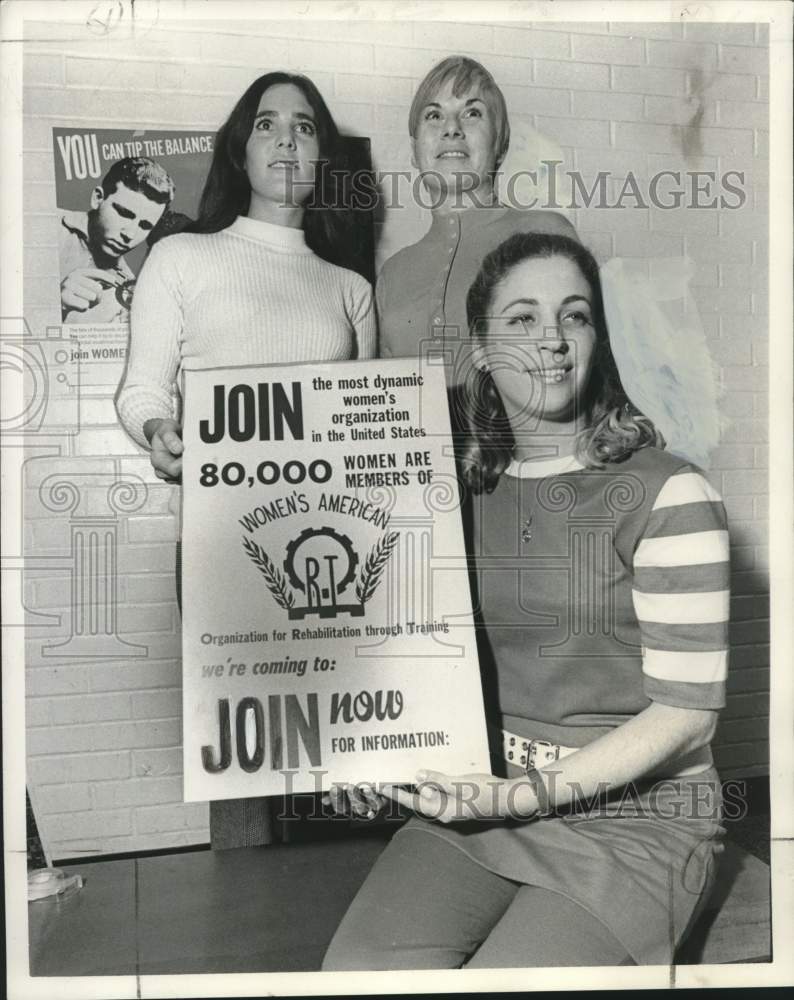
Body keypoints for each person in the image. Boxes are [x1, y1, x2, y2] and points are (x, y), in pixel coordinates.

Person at [322, 231, 729, 969]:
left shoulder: (671, 493)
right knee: (356, 975)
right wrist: (364, 757)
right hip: (486, 798)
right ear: (478, 347)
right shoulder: (451, 491)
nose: (553, 340)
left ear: (597, 338)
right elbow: (402, 655)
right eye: (522, 319)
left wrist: (519, 798)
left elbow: (688, 717)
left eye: (574, 316)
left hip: (638, 821)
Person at [116, 71, 377, 847]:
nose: (287, 138)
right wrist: (160, 430)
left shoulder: (350, 286)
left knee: (346, 754)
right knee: (248, 768)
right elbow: (139, 391)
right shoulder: (182, 258)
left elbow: (372, 429)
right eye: (268, 124)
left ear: (322, 154)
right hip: (219, 546)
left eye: (304, 126)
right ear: (243, 146)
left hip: (334, 550)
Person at [377, 56, 576, 381]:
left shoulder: (547, 232)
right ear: (414, 151)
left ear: (500, 142)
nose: (452, 128)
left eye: (472, 113)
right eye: (433, 115)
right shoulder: (391, 275)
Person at [59, 157, 174, 323]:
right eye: (124, 213)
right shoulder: (43, 225)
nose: (130, 234)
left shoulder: (129, 291)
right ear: (98, 198)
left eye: (145, 226)